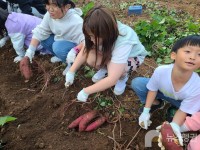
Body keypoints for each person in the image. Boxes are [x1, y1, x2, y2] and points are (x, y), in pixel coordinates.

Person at [65, 6, 148, 102]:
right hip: (110, 53)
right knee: (91, 57)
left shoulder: (123, 41)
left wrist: (86, 91)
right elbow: (85, 49)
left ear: (105, 34)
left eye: (92, 37)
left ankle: (122, 77)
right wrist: (71, 72)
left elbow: (112, 79)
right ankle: (106, 69)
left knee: (119, 71)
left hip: (132, 58)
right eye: (89, 36)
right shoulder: (95, 29)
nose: (91, 39)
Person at [131, 35, 200, 146]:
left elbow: (184, 109)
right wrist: (146, 110)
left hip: (181, 103)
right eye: (188, 51)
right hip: (163, 93)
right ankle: (157, 104)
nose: (193, 57)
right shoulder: (161, 71)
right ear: (173, 55)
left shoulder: (197, 85)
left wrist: (174, 125)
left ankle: (174, 110)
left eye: (199, 54)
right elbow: (152, 90)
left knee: (195, 111)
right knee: (138, 83)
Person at [22, 0, 84, 66]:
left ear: (67, 6)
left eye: (55, 5)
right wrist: (30, 50)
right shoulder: (49, 15)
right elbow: (40, 31)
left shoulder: (76, 22)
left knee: (57, 47)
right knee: (44, 39)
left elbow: (86, 41)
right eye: (48, 4)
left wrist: (74, 51)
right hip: (61, 41)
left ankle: (72, 64)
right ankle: (62, 57)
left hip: (76, 47)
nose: (50, 9)